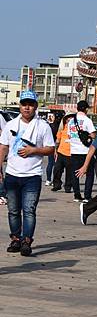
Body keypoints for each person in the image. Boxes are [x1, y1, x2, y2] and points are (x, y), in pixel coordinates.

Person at [0, 90, 55, 256]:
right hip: (12, 174)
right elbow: (3, 147)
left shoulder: (43, 126)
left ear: (35, 107)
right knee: (13, 210)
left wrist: (34, 150)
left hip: (32, 176)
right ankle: (16, 238)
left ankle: (26, 240)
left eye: (30, 105)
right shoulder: (10, 125)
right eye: (24, 104)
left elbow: (51, 149)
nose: (27, 108)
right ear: (20, 106)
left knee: (29, 210)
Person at [68, 100, 96, 202]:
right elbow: (93, 135)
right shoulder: (87, 120)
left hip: (74, 151)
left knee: (75, 174)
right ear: (86, 109)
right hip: (86, 151)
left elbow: (69, 135)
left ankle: (77, 195)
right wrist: (87, 135)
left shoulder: (71, 121)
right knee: (89, 174)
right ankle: (87, 196)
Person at [51, 114, 74, 193]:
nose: (69, 119)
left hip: (71, 153)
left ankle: (68, 187)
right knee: (57, 170)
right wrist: (55, 151)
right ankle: (56, 185)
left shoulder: (76, 129)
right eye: (68, 118)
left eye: (71, 118)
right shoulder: (62, 128)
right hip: (61, 152)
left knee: (70, 172)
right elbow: (57, 141)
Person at [45, 112, 60, 186]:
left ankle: (48, 179)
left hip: (50, 145)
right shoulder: (58, 126)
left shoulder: (49, 126)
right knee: (55, 164)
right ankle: (54, 180)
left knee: (50, 163)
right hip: (56, 145)